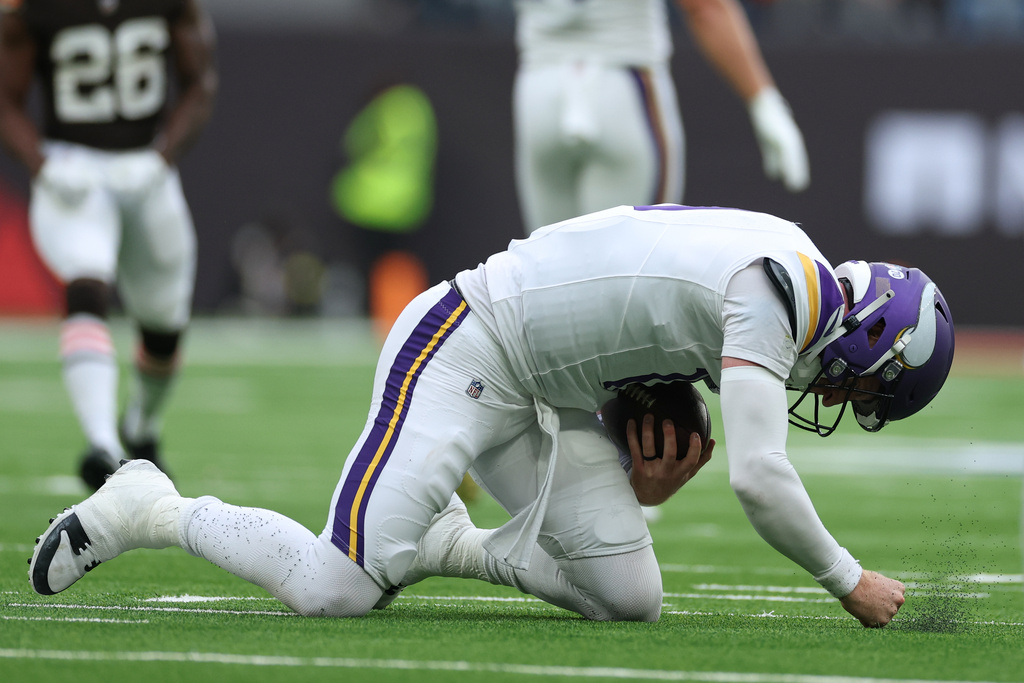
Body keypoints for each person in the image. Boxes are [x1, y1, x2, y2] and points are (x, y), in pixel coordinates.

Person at [29, 205, 955, 629]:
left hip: (544, 385)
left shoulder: (786, 256)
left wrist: (648, 478)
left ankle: (444, 542)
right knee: (335, 588)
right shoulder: (780, 288)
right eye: (868, 390)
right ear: (877, 340)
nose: (842, 400)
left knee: (628, 597)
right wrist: (847, 579)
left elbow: (616, 312)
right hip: (468, 342)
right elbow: (760, 474)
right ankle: (149, 505)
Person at [0, 0, 217, 489]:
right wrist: (42, 164)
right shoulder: (30, 8)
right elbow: (5, 98)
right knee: (86, 281)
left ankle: (141, 425)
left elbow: (201, 85)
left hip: (146, 167)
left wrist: (162, 157)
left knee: (164, 321)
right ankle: (103, 446)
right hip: (72, 165)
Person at [513, 0, 809, 233]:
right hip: (622, 87)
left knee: (549, 276)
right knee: (638, 278)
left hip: (538, 91)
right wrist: (764, 100)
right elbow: (703, 7)